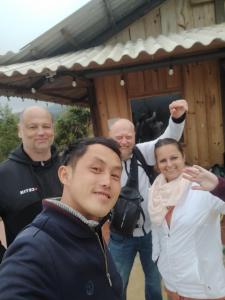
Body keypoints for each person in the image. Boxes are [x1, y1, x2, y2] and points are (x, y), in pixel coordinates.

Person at [0, 137, 123, 300]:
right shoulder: (34, 248)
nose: (107, 181)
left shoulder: (91, 228)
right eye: (96, 169)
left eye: (115, 175)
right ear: (65, 175)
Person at [108, 99, 188, 300]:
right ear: (110, 139)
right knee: (117, 284)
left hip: (151, 234)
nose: (124, 141)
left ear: (135, 136)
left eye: (128, 136)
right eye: (119, 137)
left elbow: (169, 139)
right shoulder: (105, 161)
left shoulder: (143, 152)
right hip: (120, 237)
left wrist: (177, 118)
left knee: (154, 282)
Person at [148, 138, 225, 300]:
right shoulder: (154, 192)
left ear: (183, 156)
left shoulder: (203, 186)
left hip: (203, 286)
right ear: (157, 164)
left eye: (174, 157)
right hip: (172, 283)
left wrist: (219, 187)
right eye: (163, 160)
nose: (169, 164)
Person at [0, 106, 63, 256]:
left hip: (75, 261)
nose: (41, 132)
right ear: (20, 131)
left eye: (46, 126)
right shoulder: (4, 174)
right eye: (32, 127)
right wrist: (5, 260)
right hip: (29, 269)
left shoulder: (69, 166)